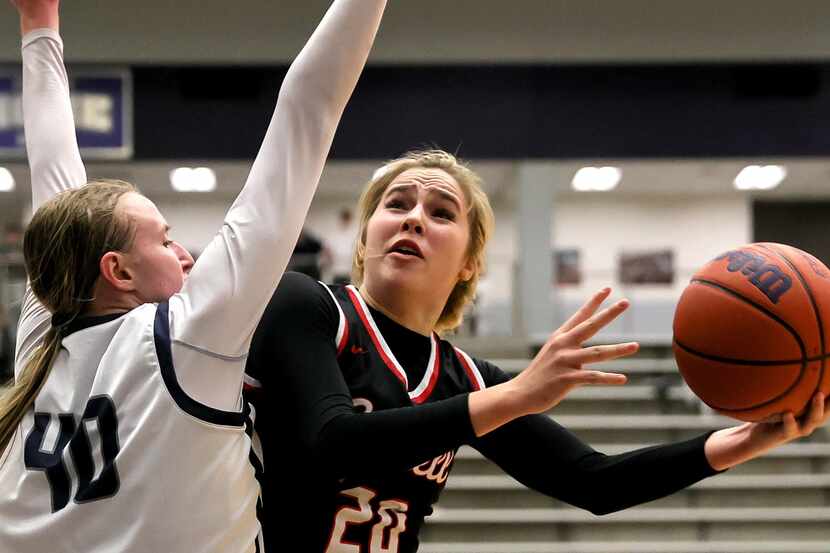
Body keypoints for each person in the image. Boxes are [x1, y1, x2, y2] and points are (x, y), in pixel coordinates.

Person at [245, 150, 830, 553]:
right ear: (365, 236)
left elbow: (595, 483)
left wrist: (747, 440)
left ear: (470, 262)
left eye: (441, 212)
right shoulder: (309, 307)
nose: (415, 218)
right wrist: (516, 395)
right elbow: (331, 441)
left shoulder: (468, 378)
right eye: (396, 205)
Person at [0, 1, 387, 552]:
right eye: (163, 238)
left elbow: (54, 174)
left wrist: (39, 26)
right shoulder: (186, 337)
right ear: (118, 271)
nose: (185, 253)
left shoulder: (45, 334)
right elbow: (308, 107)